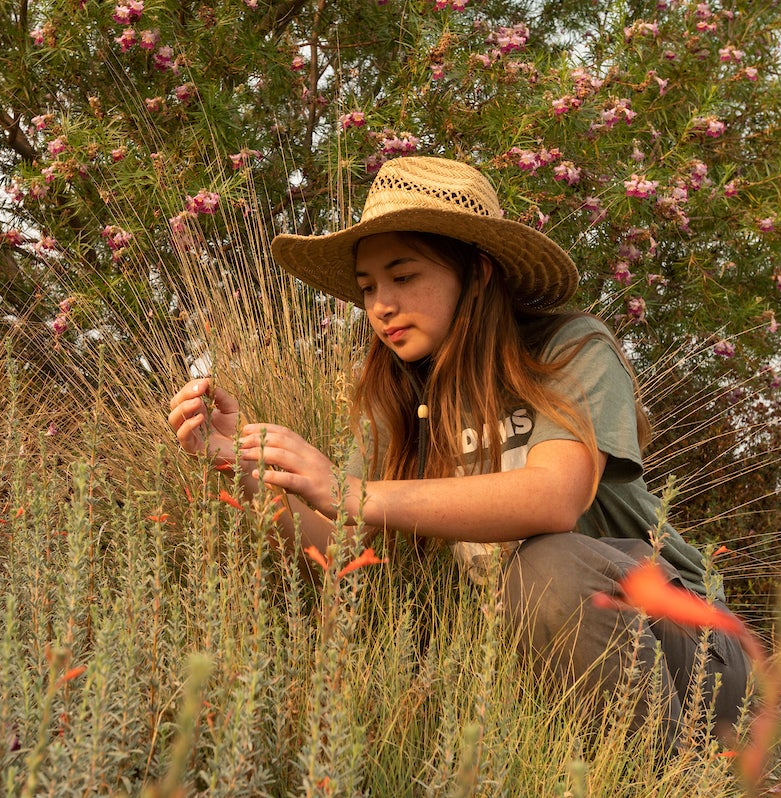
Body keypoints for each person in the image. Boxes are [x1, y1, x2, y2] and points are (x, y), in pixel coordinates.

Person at [167, 156, 749, 752]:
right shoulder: (396, 399)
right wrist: (247, 469)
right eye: (367, 288)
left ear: (479, 272)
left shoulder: (567, 351)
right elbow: (344, 549)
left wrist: (353, 492)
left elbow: (556, 499)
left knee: (547, 570)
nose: (381, 305)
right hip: (545, 656)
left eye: (403, 275)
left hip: (690, 645)